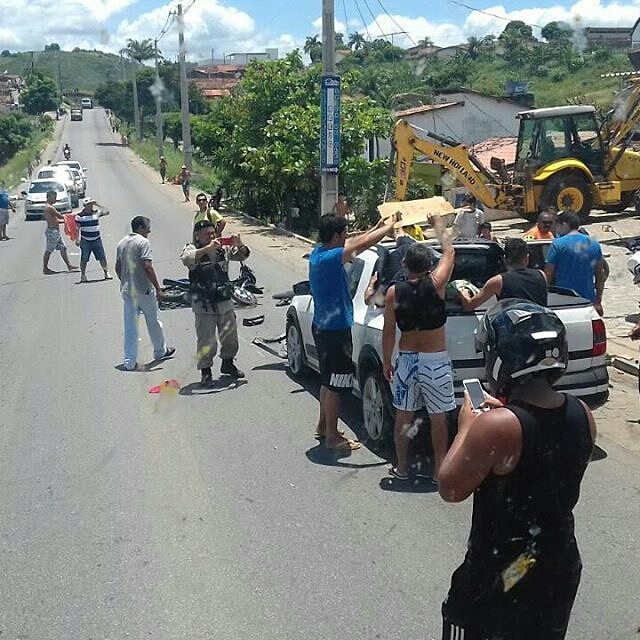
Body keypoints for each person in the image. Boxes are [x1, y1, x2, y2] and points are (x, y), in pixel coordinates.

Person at [438, 299, 596, 640]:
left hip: (505, 570)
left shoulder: (498, 426)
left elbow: (450, 488)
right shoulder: (583, 413)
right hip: (558, 561)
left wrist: (467, 425)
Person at [309, 213, 399, 450]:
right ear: (336, 235)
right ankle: (331, 437)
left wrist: (377, 227)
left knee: (328, 382)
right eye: (344, 233)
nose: (347, 237)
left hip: (323, 326)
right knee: (337, 385)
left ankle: (323, 427)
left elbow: (356, 242)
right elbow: (360, 245)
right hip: (335, 330)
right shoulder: (330, 258)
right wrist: (389, 227)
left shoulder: (319, 252)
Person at [383, 216, 456, 481]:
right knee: (439, 417)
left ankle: (402, 467)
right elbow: (450, 251)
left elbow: (389, 331)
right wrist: (438, 224)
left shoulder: (393, 292)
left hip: (407, 359)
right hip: (434, 360)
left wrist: (386, 362)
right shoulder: (437, 284)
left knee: (404, 414)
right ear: (428, 267)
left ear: (404, 265)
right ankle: (439, 471)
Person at [181, 219, 249, 386]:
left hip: (223, 301)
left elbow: (242, 255)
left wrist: (240, 245)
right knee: (206, 341)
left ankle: (228, 363)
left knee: (230, 338)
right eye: (207, 234)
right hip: (203, 304)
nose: (211, 236)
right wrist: (206, 249)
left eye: (213, 233)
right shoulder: (192, 248)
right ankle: (206, 371)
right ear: (197, 236)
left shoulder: (222, 249)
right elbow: (187, 259)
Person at [115, 216, 175, 371]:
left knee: (130, 327)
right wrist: (158, 288)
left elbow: (117, 267)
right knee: (153, 322)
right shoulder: (143, 242)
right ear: (141, 227)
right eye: (148, 226)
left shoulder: (121, 243)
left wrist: (126, 280)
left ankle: (129, 361)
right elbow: (147, 266)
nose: (150, 230)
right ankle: (160, 351)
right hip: (144, 290)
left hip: (128, 290)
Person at [460, 237, 548, 310]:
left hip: (513, 329)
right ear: (527, 258)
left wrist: (463, 292)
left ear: (505, 259)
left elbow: (470, 306)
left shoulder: (498, 281)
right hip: (542, 327)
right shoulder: (541, 275)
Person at [544, 211, 605, 315]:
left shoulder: (557, 244)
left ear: (564, 225)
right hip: (588, 299)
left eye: (557, 225)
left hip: (564, 300)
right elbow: (600, 275)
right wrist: (598, 301)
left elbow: (548, 274)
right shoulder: (594, 243)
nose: (556, 229)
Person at [75, 197, 112, 282]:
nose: (90, 206)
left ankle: (106, 272)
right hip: (85, 240)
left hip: (96, 239)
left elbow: (107, 211)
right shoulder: (80, 216)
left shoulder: (96, 213)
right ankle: (83, 275)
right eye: (89, 204)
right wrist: (77, 239)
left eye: (91, 204)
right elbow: (77, 228)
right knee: (84, 258)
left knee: (102, 256)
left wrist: (97, 204)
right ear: (85, 206)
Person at [43, 190, 77, 274]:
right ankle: (45, 268)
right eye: (54, 197)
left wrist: (65, 221)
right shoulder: (50, 208)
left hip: (55, 231)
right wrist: (70, 218)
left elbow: (55, 220)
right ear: (49, 197)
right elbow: (59, 216)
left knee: (63, 248)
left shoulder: (48, 207)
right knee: (49, 250)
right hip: (52, 231)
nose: (55, 199)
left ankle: (69, 265)